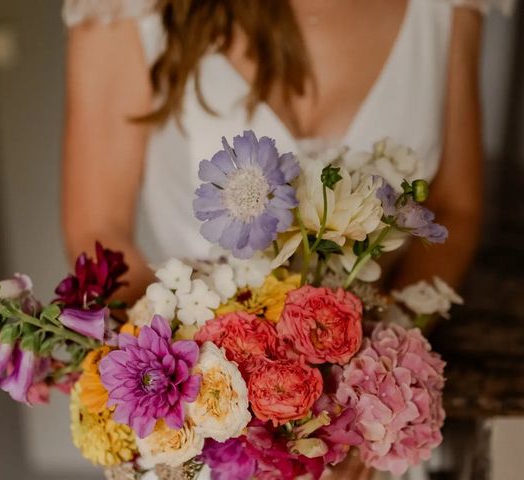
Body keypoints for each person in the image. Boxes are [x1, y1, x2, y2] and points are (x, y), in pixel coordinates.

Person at [61, 0, 515, 478]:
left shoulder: (448, 8)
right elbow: (98, 231)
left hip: (362, 450)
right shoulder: (125, 9)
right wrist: (216, 408)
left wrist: (367, 388)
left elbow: (454, 211)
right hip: (206, 433)